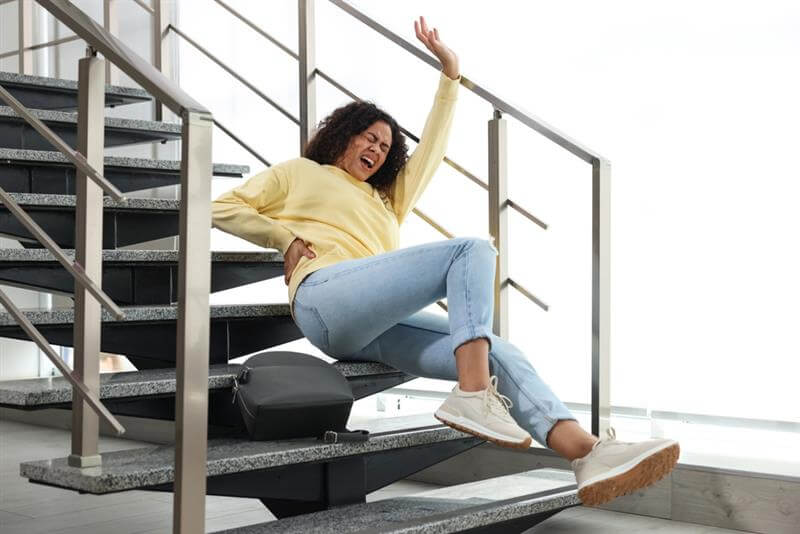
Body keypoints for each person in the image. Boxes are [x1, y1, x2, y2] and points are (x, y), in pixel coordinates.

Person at [211, 15, 679, 506]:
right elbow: (223, 206)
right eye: (368, 137)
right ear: (344, 135)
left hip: (373, 325)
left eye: (385, 146)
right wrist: (284, 238)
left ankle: (584, 453)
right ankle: (474, 396)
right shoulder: (299, 173)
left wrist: (450, 75)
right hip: (324, 296)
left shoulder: (386, 201)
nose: (376, 147)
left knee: (499, 349)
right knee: (472, 250)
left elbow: (431, 150)